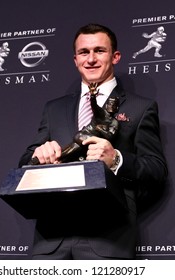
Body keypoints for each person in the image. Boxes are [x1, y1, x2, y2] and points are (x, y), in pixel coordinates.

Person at [18, 23, 167, 259]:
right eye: (84, 52)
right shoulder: (54, 108)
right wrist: (39, 156)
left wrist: (116, 159)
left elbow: (156, 170)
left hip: (109, 238)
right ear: (75, 59)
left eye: (99, 51)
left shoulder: (141, 107)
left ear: (115, 56)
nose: (91, 59)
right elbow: (25, 161)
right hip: (51, 239)